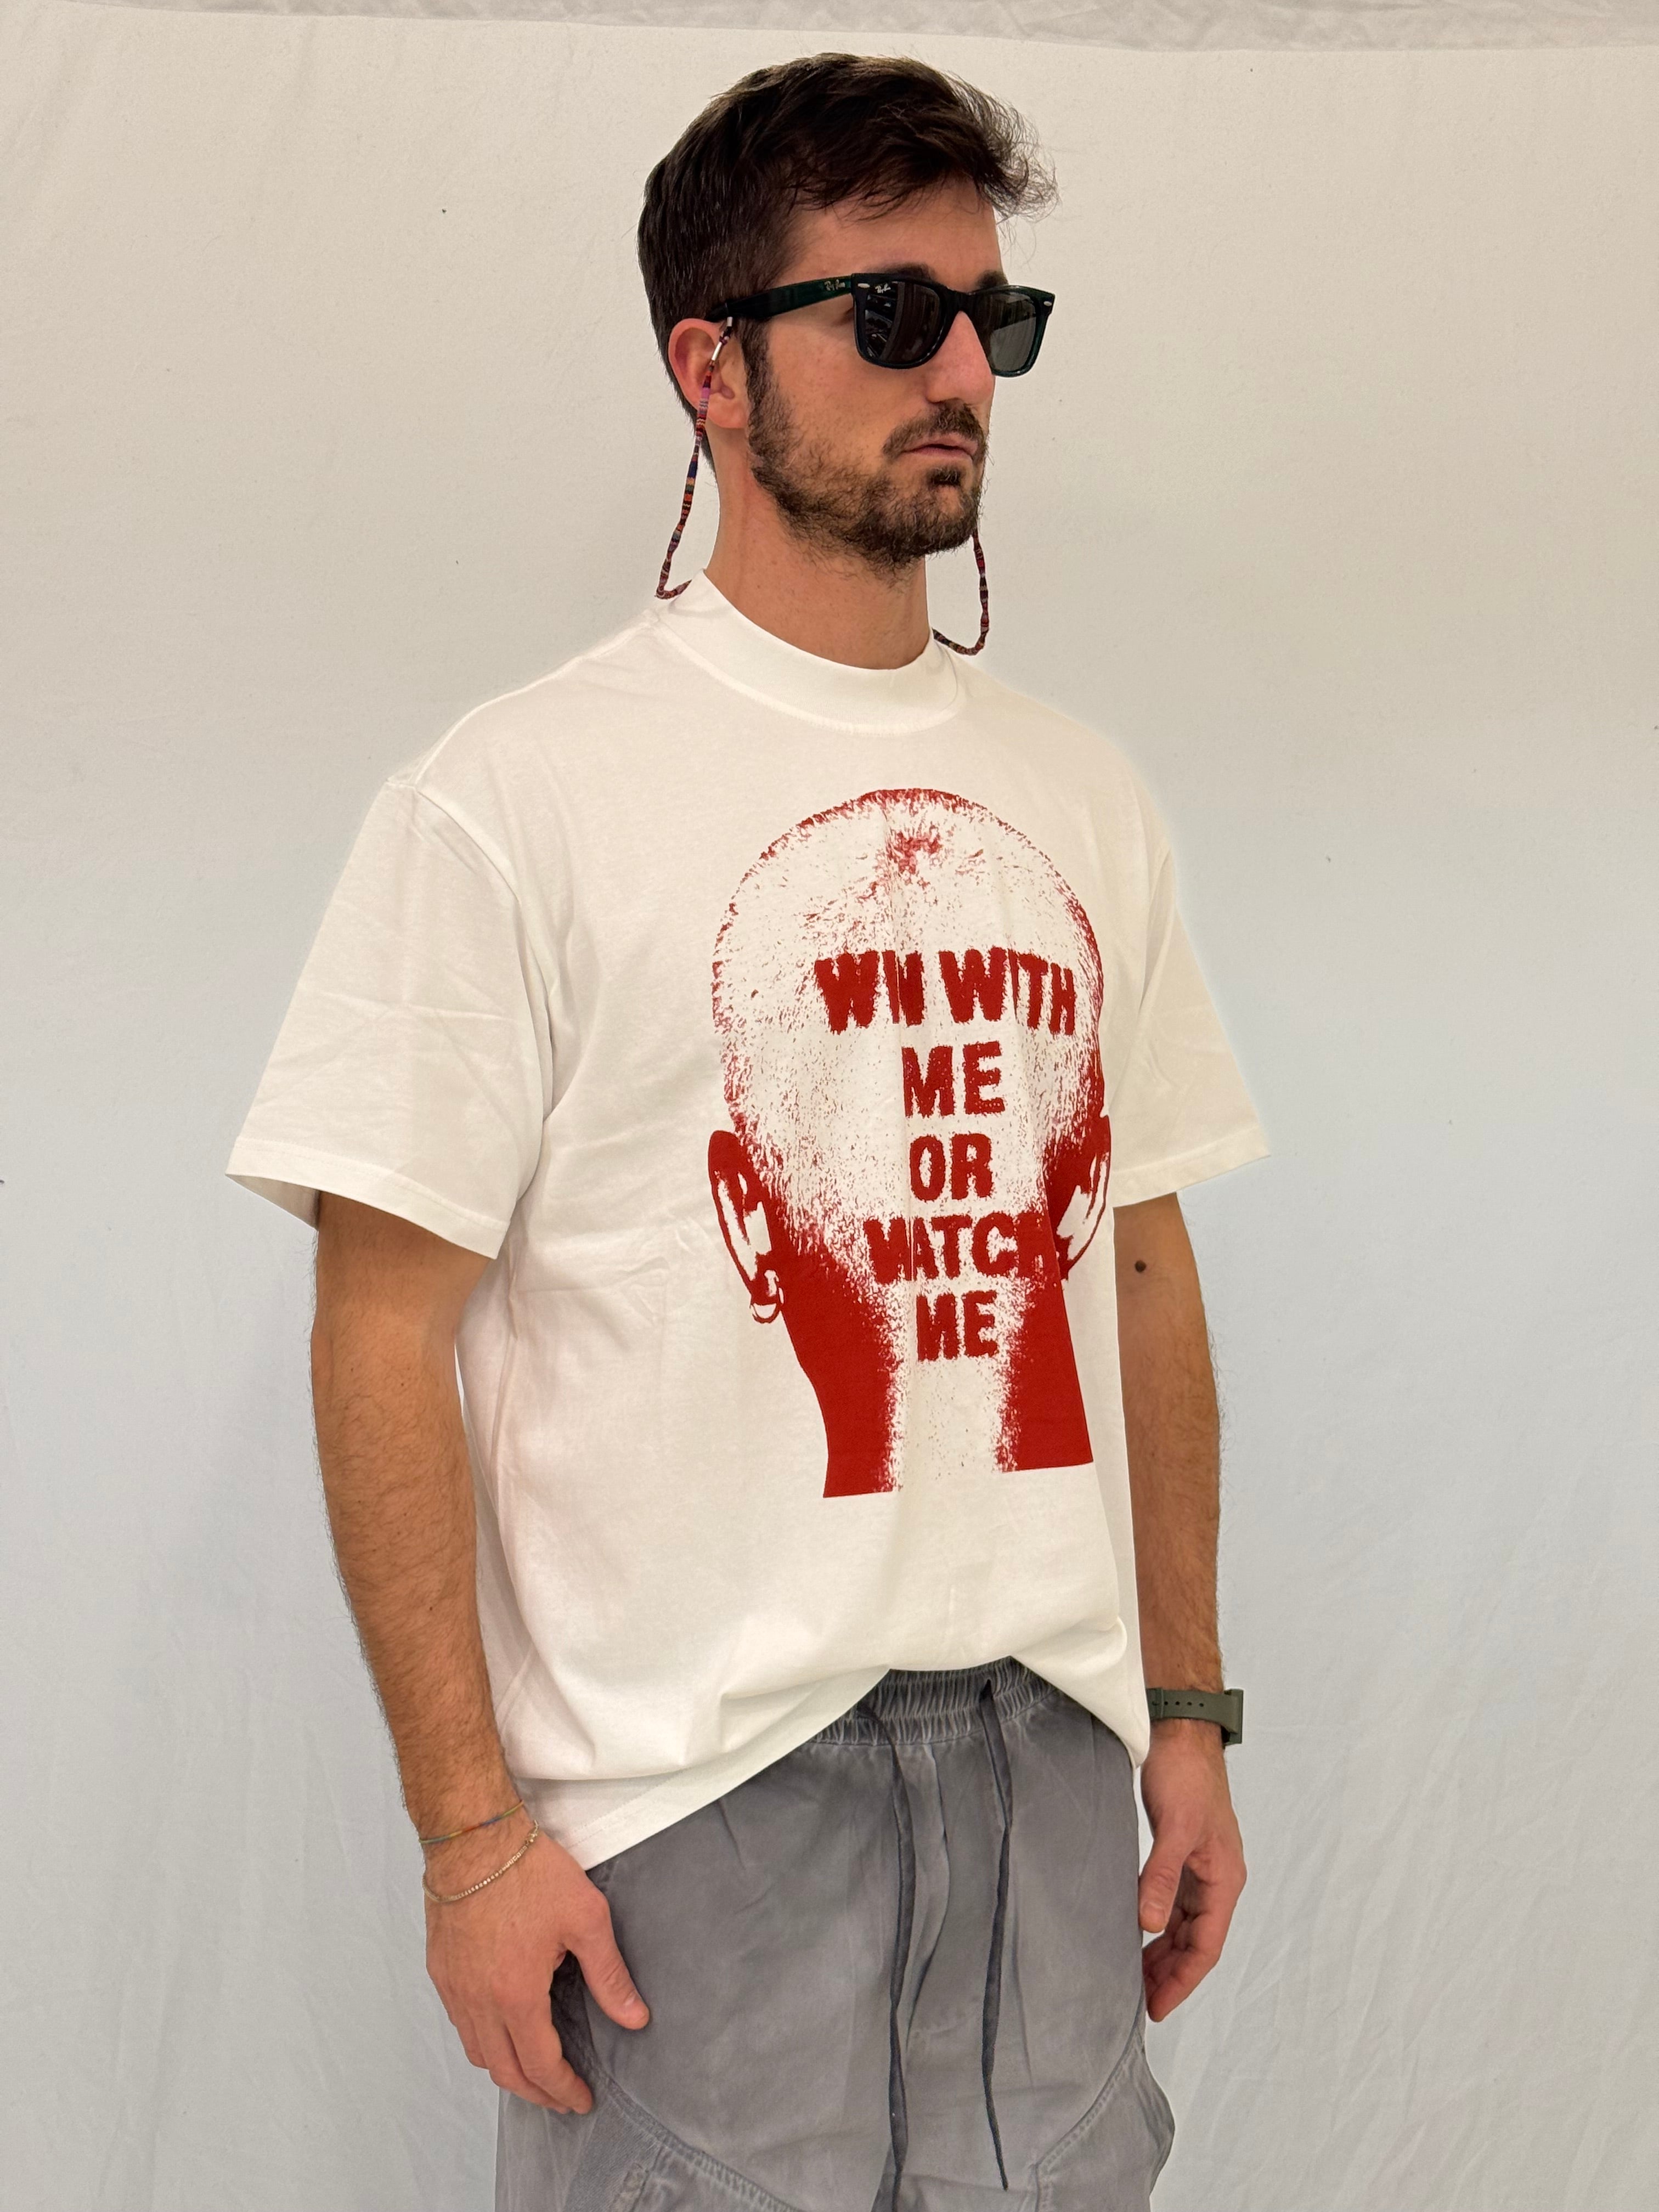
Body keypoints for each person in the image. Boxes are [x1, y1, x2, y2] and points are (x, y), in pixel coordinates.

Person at [227, 51, 1268, 2212]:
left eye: (994, 317)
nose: (962, 369)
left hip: (1053, 1769)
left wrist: (1185, 1707)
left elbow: (1142, 1262)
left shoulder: (1083, 796)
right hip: (698, 1806)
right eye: (893, 315)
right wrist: (468, 1835)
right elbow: (381, 1327)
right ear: (711, 368)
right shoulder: (514, 802)